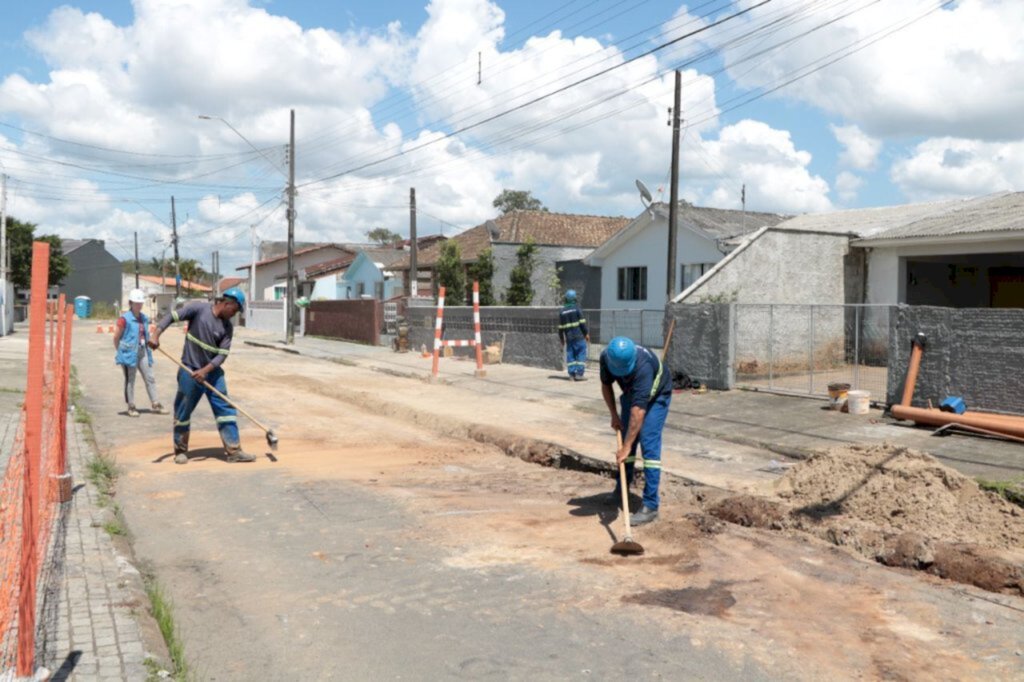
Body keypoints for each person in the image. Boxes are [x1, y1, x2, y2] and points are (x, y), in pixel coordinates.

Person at [149, 288, 255, 464]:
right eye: (235, 310)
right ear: (228, 303)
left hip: (212, 374)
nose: (234, 314)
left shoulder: (227, 327)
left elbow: (222, 354)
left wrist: (205, 371)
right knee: (183, 410)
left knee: (226, 410)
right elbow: (171, 317)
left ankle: (234, 450)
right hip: (189, 370)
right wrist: (155, 334)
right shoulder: (198, 309)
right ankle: (180, 451)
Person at [599, 336, 672, 526]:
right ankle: (621, 489)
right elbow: (606, 385)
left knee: (648, 443)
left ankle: (650, 505)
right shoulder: (606, 357)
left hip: (657, 396)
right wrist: (614, 414)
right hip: (632, 393)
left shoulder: (643, 367)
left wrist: (627, 446)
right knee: (625, 440)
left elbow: (638, 412)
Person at [114, 289, 164, 418]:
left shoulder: (144, 318)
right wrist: (120, 352)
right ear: (131, 303)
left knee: (150, 377)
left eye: (141, 302)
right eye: (136, 303)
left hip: (143, 351)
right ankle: (131, 406)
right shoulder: (124, 319)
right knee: (130, 380)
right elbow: (116, 337)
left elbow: (145, 335)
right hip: (129, 353)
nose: (139, 305)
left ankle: (156, 403)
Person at [558, 289, 589, 381]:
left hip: (569, 338)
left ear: (566, 299)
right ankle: (579, 374)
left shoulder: (562, 311)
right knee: (580, 354)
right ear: (574, 298)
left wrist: (562, 339)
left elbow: (560, 328)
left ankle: (571, 375)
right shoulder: (577, 309)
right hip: (579, 337)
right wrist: (586, 333)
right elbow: (582, 324)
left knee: (570, 355)